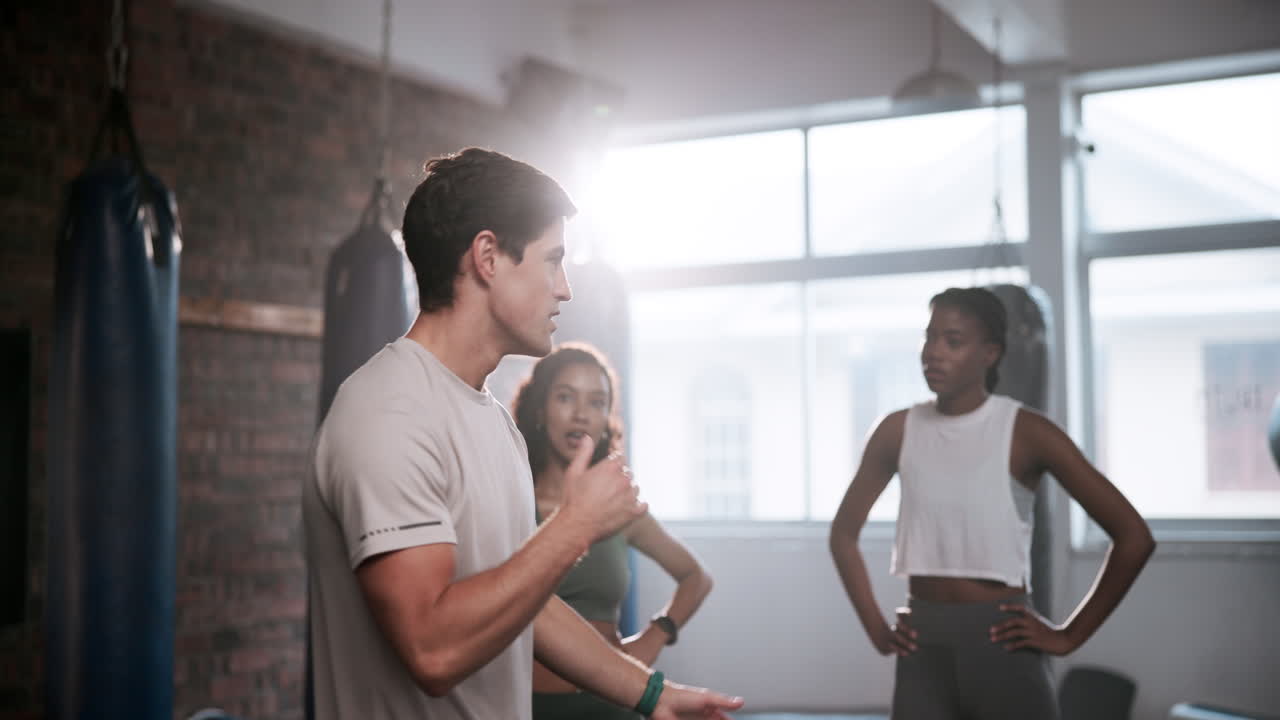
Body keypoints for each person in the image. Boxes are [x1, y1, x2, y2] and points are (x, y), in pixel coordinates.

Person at [304, 147, 744, 720]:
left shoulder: (493, 424)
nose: (565, 288)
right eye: (551, 260)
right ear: (488, 256)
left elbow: (525, 602)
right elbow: (431, 649)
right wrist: (576, 525)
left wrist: (649, 692)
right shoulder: (390, 412)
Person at [828, 287, 1156, 720]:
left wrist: (1068, 637)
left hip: (1003, 646)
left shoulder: (1027, 431)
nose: (933, 353)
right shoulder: (896, 430)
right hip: (923, 649)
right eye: (928, 338)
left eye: (953, 340)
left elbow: (1134, 538)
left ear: (991, 353)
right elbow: (843, 535)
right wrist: (876, 628)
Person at [510, 343, 715, 720]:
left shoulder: (620, 509)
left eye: (597, 402)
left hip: (613, 705)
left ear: (608, 417)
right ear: (540, 409)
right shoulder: (508, 503)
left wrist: (655, 636)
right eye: (565, 397)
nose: (581, 414)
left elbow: (696, 577)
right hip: (524, 705)